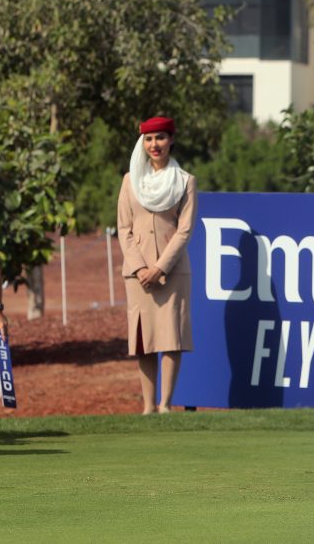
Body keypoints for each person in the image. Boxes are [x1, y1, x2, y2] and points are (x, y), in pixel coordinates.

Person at [116, 116, 196, 414]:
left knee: (171, 336)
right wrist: (140, 268)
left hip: (172, 271)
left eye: (160, 138)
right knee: (143, 339)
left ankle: (166, 404)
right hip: (136, 275)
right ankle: (148, 406)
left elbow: (184, 230)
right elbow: (124, 229)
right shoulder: (130, 180)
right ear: (142, 143)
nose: (154, 145)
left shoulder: (186, 181)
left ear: (171, 140)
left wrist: (160, 268)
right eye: (149, 139)